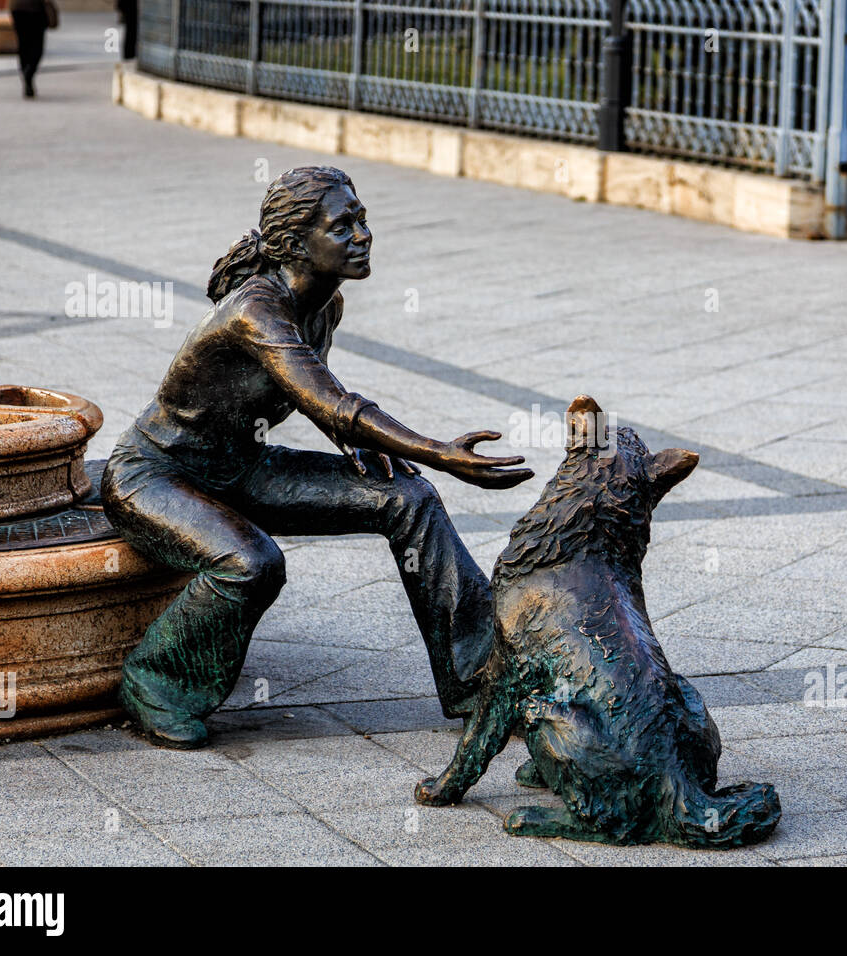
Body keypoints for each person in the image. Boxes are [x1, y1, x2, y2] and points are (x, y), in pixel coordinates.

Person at [101, 166, 533, 749]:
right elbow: (332, 402)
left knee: (408, 499)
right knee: (251, 562)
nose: (363, 234)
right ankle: (154, 682)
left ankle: (477, 678)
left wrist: (359, 446)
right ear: (297, 244)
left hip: (243, 468)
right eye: (343, 225)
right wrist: (437, 451)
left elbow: (315, 391)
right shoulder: (255, 310)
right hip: (156, 475)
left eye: (362, 218)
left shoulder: (324, 305)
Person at [8, 0, 50, 98]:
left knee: (23, 44)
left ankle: (26, 71)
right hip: (35, 9)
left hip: (17, 8)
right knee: (37, 45)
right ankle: (29, 72)